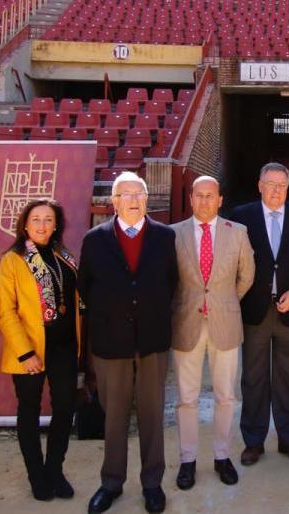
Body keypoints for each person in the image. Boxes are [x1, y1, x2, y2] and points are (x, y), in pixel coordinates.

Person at [80, 172, 177, 514]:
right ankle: (111, 483)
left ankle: (152, 483)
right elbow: (85, 289)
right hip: (111, 343)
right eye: (126, 194)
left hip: (152, 341)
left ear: (147, 199)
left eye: (140, 193)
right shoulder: (95, 239)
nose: (134, 200)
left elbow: (172, 284)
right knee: (114, 417)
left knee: (152, 415)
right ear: (114, 201)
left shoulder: (166, 237)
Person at [170, 176, 255, 490]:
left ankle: (222, 456)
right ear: (191, 199)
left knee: (226, 396)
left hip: (225, 322)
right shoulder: (173, 234)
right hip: (186, 323)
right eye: (199, 195)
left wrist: (225, 300)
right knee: (187, 399)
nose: (205, 201)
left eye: (211, 196)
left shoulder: (238, 233)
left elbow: (247, 275)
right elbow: (168, 278)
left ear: (220, 200)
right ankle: (188, 460)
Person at [230, 162, 289, 465]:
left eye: (281, 184)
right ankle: (253, 441)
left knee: (288, 377)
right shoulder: (241, 216)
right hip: (254, 311)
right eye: (270, 183)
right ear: (259, 185)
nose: (276, 190)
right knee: (253, 378)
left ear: (288, 187)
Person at [0, 198, 82, 502]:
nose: (42, 225)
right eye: (36, 219)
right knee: (29, 411)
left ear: (56, 223)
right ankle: (37, 475)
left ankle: (55, 470)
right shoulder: (14, 259)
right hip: (30, 349)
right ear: (25, 224)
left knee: (65, 408)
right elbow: (6, 312)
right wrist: (25, 352)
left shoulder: (64, 255)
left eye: (48, 219)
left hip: (65, 346)